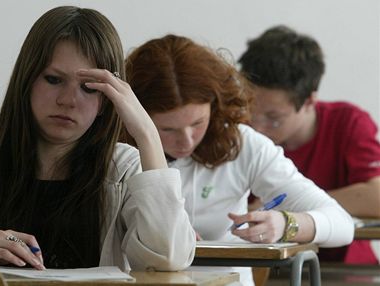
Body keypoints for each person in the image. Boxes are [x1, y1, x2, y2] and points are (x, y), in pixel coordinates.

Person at [0, 6, 195, 271]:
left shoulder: (124, 169)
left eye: (88, 87)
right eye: (53, 79)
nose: (68, 100)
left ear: (108, 100)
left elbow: (169, 258)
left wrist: (147, 134)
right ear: (26, 80)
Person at [123, 34, 354, 285]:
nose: (187, 141)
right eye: (166, 130)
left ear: (215, 105)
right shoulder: (119, 153)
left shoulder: (241, 143)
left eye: (198, 123)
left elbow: (342, 224)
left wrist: (285, 223)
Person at [239, 25, 380, 264]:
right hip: (269, 268)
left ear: (309, 101)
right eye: (251, 111)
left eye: (273, 119)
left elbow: (376, 197)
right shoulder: (240, 130)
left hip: (342, 270)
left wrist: (297, 203)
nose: (257, 127)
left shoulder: (348, 123)